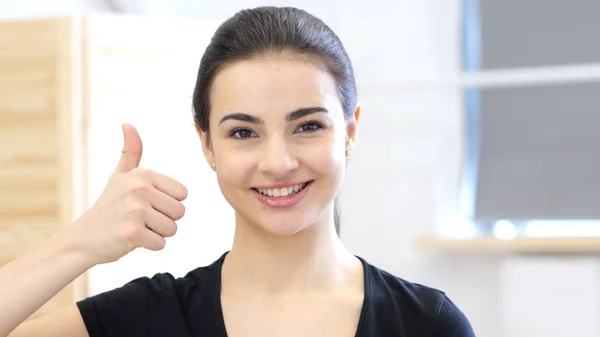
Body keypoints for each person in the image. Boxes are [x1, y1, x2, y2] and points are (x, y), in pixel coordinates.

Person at [0, 6, 476, 337]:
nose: (278, 162)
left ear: (350, 132)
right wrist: (79, 243)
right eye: (244, 132)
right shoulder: (150, 318)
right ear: (207, 143)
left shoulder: (427, 325)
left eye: (307, 125)